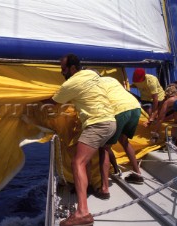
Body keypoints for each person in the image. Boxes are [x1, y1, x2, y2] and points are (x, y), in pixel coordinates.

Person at [51, 53, 117, 226]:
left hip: (97, 124)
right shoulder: (92, 74)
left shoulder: (71, 82)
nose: (62, 73)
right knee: (95, 155)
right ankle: (98, 187)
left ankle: (82, 213)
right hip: (111, 122)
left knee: (77, 163)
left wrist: (30, 102)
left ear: (72, 68)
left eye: (63, 69)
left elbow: (53, 101)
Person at [96, 76, 143, 200]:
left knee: (104, 148)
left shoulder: (94, 83)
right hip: (135, 107)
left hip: (119, 109)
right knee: (124, 141)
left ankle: (105, 188)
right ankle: (137, 173)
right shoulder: (112, 79)